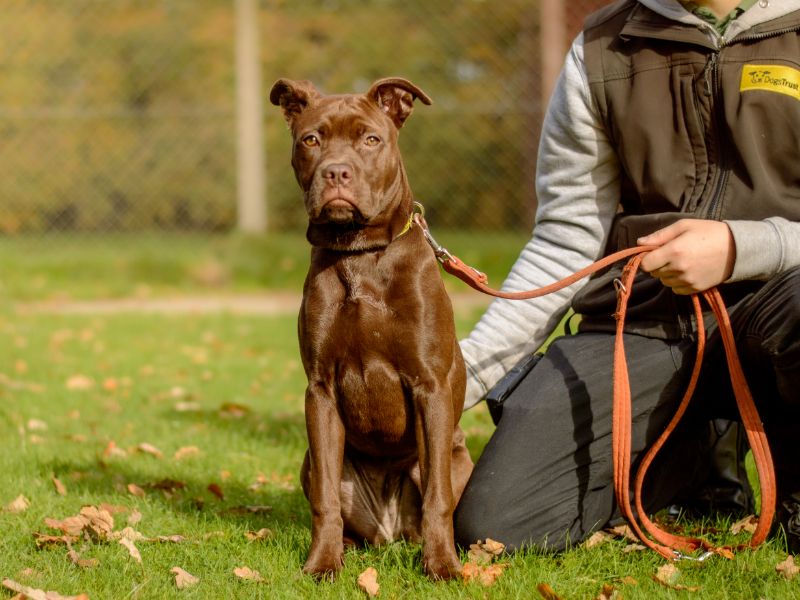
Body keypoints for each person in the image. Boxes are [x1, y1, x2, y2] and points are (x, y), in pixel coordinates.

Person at [453, 0, 800, 554]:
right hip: (645, 320)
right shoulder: (602, 46)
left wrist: (742, 247)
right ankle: (687, 457)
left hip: (779, 308)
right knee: (496, 524)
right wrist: (453, 381)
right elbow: (566, 240)